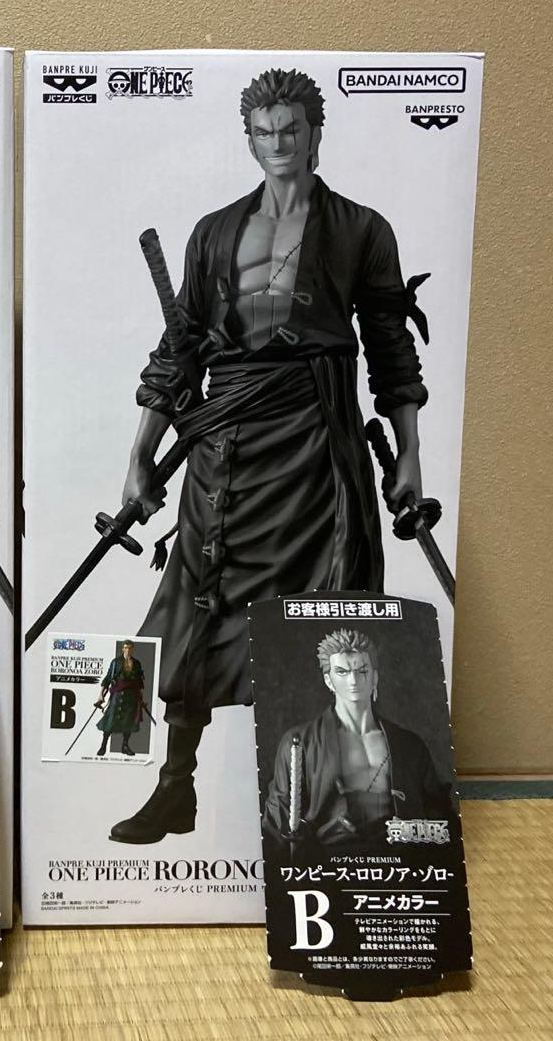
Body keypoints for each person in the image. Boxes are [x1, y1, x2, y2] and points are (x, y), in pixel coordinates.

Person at [111, 68, 429, 844]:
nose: (279, 144)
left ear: (315, 134)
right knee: (195, 609)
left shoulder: (361, 230)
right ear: (248, 139)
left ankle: (323, 798)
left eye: (292, 130)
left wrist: (409, 456)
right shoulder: (215, 232)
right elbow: (179, 351)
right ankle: (174, 788)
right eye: (265, 132)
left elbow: (391, 351)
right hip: (225, 451)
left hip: (319, 446)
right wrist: (140, 455)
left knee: (324, 616)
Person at [262, 629, 451, 855]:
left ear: (375, 677)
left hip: (399, 861)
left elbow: (439, 815)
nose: (353, 680)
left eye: (362, 671)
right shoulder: (301, 743)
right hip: (329, 863)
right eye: (342, 672)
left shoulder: (409, 745)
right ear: (328, 680)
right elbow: (277, 823)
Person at [95, 640, 146, 757]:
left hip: (131, 697)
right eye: (126, 648)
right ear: (123, 649)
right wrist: (101, 695)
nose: (128, 650)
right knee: (110, 720)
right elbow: (108, 678)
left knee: (129, 722)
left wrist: (141, 699)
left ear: (132, 649)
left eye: (130, 648)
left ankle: (125, 746)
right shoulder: (116, 662)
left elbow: (139, 683)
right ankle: (103, 745)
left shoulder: (137, 663)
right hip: (117, 695)